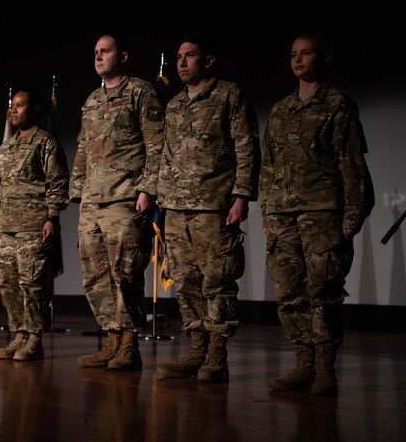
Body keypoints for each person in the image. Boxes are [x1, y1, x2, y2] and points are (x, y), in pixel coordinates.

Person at [260, 33, 374, 396]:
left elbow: (352, 166)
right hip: (283, 216)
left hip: (323, 214)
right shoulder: (280, 109)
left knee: (323, 292)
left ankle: (326, 368)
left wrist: (351, 220)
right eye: (292, 54)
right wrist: (267, 210)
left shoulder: (339, 105)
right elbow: (267, 166)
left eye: (305, 53)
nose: (297, 60)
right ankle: (303, 364)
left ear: (324, 57)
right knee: (289, 293)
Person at [156, 33, 261, 382]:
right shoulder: (173, 105)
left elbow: (246, 147)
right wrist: (162, 198)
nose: (182, 63)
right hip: (175, 207)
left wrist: (242, 196)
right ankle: (197, 348)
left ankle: (217, 353)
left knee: (218, 280)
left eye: (190, 56)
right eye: (178, 57)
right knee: (186, 281)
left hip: (214, 205)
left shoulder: (228, 95)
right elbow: (166, 156)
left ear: (209, 60)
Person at [70, 33, 164, 371]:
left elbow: (156, 145)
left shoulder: (141, 92)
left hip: (126, 196)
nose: (98, 57)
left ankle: (129, 344)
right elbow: (83, 150)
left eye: (105, 51)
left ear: (122, 56)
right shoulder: (92, 100)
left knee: (125, 272)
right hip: (94, 201)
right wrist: (79, 192)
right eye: (95, 52)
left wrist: (148, 189)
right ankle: (112, 339)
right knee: (95, 275)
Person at [0, 89, 69, 361]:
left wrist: (52, 217)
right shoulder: (6, 147)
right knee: (11, 285)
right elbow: (2, 191)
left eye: (20, 105)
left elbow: (57, 182)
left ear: (35, 110)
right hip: (8, 227)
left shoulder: (45, 143)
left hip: (34, 226)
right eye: (12, 105)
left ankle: (34, 337)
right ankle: (19, 335)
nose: (13, 110)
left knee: (33, 285)